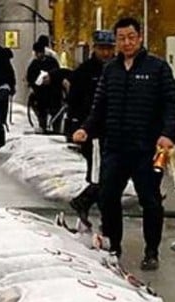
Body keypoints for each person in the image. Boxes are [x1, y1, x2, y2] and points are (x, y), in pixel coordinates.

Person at [73, 17, 175, 270]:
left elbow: (172, 105)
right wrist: (86, 129)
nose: (127, 42)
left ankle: (151, 251)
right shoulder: (111, 70)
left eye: (131, 37)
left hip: (146, 149)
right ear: (117, 40)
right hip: (115, 147)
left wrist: (168, 133)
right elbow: (99, 107)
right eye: (121, 38)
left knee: (150, 201)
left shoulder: (157, 68)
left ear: (140, 37)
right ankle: (113, 246)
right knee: (108, 198)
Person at [66, 30, 116, 227]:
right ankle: (91, 207)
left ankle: (88, 204)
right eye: (102, 48)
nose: (106, 53)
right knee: (102, 176)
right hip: (94, 133)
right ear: (94, 48)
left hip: (116, 131)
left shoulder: (118, 68)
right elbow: (73, 102)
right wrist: (79, 128)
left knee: (109, 176)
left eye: (109, 49)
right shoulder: (84, 72)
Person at [25, 41, 61, 132]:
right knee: (42, 112)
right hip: (41, 93)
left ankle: (55, 128)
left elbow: (58, 74)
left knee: (54, 111)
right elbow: (30, 78)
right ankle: (43, 126)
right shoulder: (34, 64)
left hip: (52, 92)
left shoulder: (51, 61)